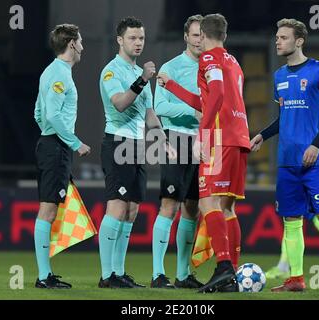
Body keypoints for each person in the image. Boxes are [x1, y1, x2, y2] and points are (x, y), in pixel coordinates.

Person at [250, 18, 319, 293]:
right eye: (277, 37)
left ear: (299, 41)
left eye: (283, 37)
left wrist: (316, 145)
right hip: (287, 161)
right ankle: (296, 279)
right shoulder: (279, 76)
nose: (277, 41)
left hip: (315, 160)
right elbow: (283, 118)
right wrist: (261, 135)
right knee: (291, 221)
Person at [158, 13, 250, 293]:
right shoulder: (233, 62)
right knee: (227, 207)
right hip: (239, 137)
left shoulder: (209, 59)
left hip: (219, 140)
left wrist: (203, 134)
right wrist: (172, 86)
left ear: (204, 34)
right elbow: (209, 100)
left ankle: (223, 267)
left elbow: (217, 96)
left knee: (207, 204)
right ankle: (231, 274)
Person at [98, 16, 176, 289]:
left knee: (131, 210)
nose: (138, 42)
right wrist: (143, 79)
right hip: (117, 142)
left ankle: (119, 272)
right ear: (120, 40)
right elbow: (119, 103)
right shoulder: (112, 71)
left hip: (138, 146)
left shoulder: (139, 72)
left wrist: (163, 140)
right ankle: (107, 276)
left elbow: (150, 113)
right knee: (117, 207)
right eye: (132, 38)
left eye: (141, 38)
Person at [33, 24, 91, 289]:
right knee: (47, 210)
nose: (82, 46)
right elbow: (53, 116)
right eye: (80, 41)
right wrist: (74, 142)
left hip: (51, 144)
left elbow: (38, 112)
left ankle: (46, 273)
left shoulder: (51, 72)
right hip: (55, 147)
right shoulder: (59, 74)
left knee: (51, 208)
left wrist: (49, 135)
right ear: (71, 44)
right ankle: (43, 277)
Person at [151, 14, 204, 289]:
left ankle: (183, 274)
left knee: (193, 209)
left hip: (203, 143)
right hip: (176, 140)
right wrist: (192, 111)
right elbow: (160, 107)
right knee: (169, 205)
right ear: (186, 36)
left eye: (202, 35)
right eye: (195, 35)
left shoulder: (211, 67)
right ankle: (158, 274)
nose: (199, 40)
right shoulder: (169, 68)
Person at [265, 124, 319, 280]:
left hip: (313, 167)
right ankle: (284, 267)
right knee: (296, 220)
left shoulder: (314, 115)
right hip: (302, 166)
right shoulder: (299, 118)